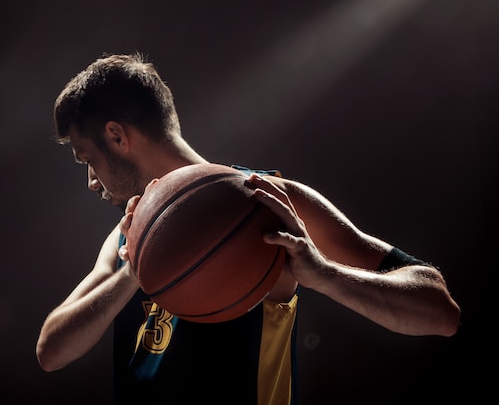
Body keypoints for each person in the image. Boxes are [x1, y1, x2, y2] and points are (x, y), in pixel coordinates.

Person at [36, 53, 461, 404]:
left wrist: (327, 275)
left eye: (86, 158)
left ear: (116, 136)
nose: (92, 181)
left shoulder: (264, 203)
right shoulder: (127, 236)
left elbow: (439, 309)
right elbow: (50, 351)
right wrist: (131, 274)